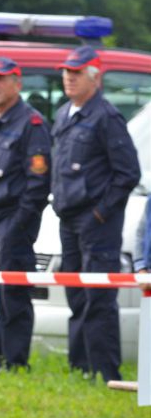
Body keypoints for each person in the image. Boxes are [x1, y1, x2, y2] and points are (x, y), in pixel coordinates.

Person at [51, 46, 141, 381]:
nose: (69, 79)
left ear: (94, 77)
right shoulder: (65, 114)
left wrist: (101, 213)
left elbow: (127, 173)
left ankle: (106, 371)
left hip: (96, 222)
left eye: (76, 73)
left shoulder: (106, 116)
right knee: (75, 293)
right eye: (66, 72)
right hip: (69, 219)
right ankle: (81, 367)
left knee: (99, 297)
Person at [0, 56, 51, 370]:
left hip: (12, 222)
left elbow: (38, 183)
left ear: (17, 84)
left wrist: (19, 225)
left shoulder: (31, 124)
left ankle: (16, 361)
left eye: (0, 79)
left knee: (15, 295)